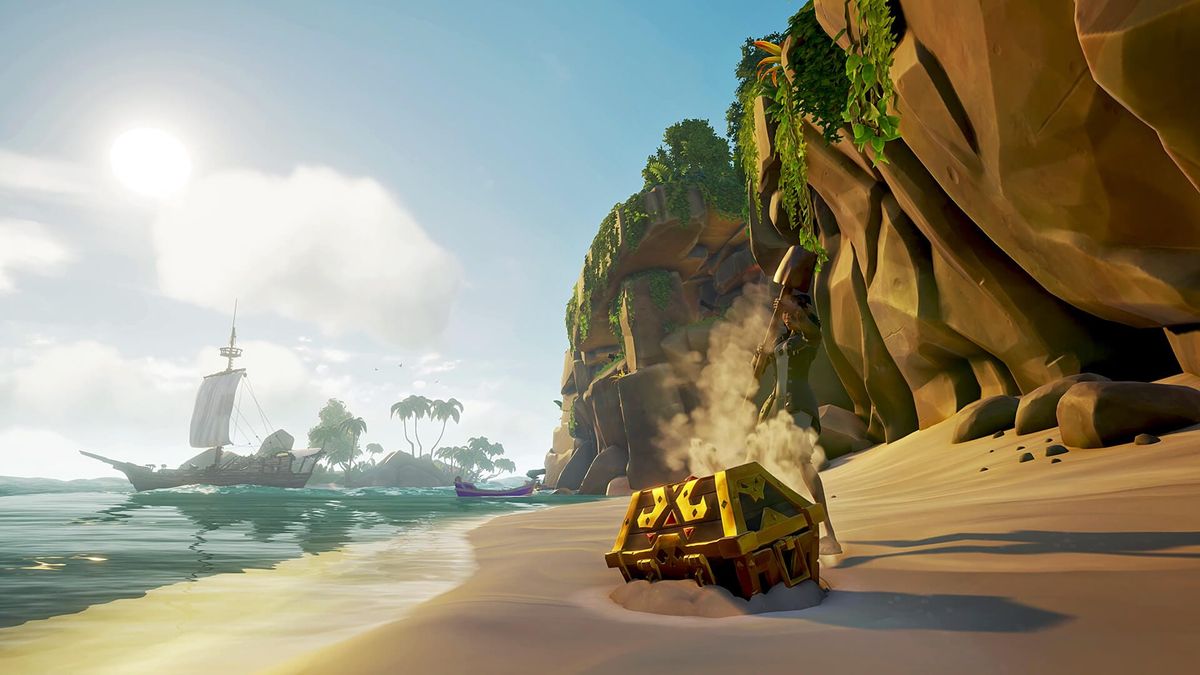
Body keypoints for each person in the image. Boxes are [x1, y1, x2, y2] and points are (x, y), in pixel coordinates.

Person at [753, 289, 843, 555]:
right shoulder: (781, 340)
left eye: (792, 313)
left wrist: (795, 310)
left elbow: (813, 331)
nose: (787, 317)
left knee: (802, 460)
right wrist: (760, 354)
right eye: (784, 314)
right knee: (761, 464)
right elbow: (756, 373)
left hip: (798, 404)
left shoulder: (808, 335)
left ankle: (831, 535)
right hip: (776, 409)